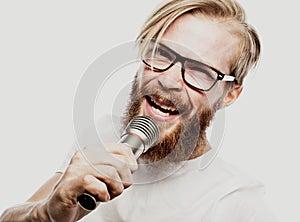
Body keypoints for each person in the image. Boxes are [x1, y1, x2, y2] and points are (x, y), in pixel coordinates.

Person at [0, 0, 278, 221]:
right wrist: (46, 213)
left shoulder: (238, 206)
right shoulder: (106, 134)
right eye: (162, 54)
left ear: (230, 94)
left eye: (198, 71)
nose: (168, 80)